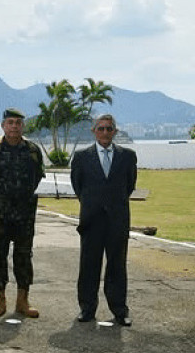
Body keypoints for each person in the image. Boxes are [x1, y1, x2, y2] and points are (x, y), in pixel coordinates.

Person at [0, 108, 45, 318]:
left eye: (18, 123)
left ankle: (23, 300)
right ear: (3, 125)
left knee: (23, 255)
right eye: (10, 122)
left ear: (23, 126)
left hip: (24, 213)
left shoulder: (32, 150)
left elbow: (37, 176)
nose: (14, 126)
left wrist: (23, 194)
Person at [71, 114, 137, 326]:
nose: (105, 132)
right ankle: (87, 309)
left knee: (117, 266)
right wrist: (93, 204)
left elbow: (129, 185)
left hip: (117, 220)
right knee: (89, 265)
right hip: (92, 220)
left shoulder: (127, 156)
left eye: (109, 129)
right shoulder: (82, 157)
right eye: (101, 129)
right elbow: (78, 186)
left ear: (115, 132)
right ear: (94, 131)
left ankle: (120, 310)